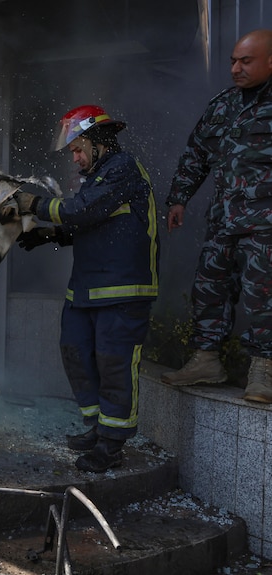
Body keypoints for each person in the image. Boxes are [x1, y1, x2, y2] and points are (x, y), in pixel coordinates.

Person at [13, 104, 159, 473]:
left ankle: (111, 446)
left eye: (78, 149)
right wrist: (52, 235)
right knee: (75, 352)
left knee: (114, 365)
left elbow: (84, 210)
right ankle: (97, 428)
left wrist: (33, 204)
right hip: (88, 289)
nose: (75, 158)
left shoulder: (123, 169)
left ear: (97, 143)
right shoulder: (98, 177)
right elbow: (93, 222)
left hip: (122, 292)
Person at [159, 29, 272, 404]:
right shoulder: (224, 103)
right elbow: (196, 154)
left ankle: (264, 370)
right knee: (209, 289)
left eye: (246, 61)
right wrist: (179, 199)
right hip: (223, 221)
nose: (236, 68)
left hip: (265, 225)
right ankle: (206, 360)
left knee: (263, 297)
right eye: (233, 61)